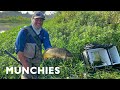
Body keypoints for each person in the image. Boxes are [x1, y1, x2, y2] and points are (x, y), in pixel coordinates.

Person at [15, 11, 52, 79]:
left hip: (37, 60)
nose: (39, 22)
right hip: (25, 59)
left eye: (41, 20)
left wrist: (53, 54)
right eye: (37, 19)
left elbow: (48, 47)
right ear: (32, 19)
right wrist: (25, 65)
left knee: (35, 76)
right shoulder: (24, 32)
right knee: (26, 76)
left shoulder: (44, 33)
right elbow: (19, 51)